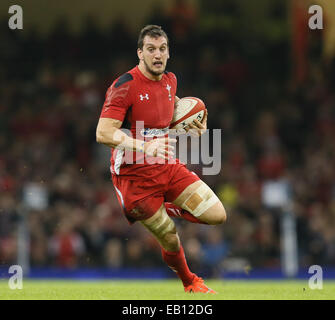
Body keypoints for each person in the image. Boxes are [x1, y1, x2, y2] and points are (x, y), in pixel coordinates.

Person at [96, 25, 227, 293]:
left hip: (166, 167)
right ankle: (190, 281)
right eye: (151, 49)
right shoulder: (124, 86)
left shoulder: (170, 81)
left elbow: (169, 111)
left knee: (218, 215)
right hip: (134, 179)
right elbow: (103, 133)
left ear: (168, 53)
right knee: (169, 237)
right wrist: (145, 145)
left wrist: (194, 123)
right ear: (140, 53)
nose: (158, 55)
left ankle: (164, 207)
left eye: (162, 49)